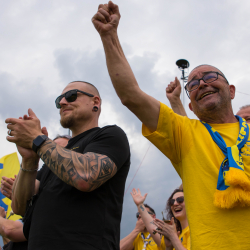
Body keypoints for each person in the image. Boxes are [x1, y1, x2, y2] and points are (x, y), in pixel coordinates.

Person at [92, 3, 250, 249]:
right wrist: (109, 36)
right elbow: (131, 95)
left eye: (210, 76)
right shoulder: (186, 134)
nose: (202, 84)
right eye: (194, 84)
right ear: (191, 108)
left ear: (231, 91)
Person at [6, 81, 131, 250]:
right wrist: (30, 159)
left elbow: (86, 177)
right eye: (59, 100)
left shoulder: (110, 135)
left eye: (72, 96)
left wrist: (38, 140)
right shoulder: (54, 160)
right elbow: (19, 206)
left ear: (95, 102)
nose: (63, 102)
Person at [0, 135, 71, 250]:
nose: (55, 154)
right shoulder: (36, 208)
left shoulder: (60, 205)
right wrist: (20, 195)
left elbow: (10, 230)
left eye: (63, 150)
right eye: (51, 149)